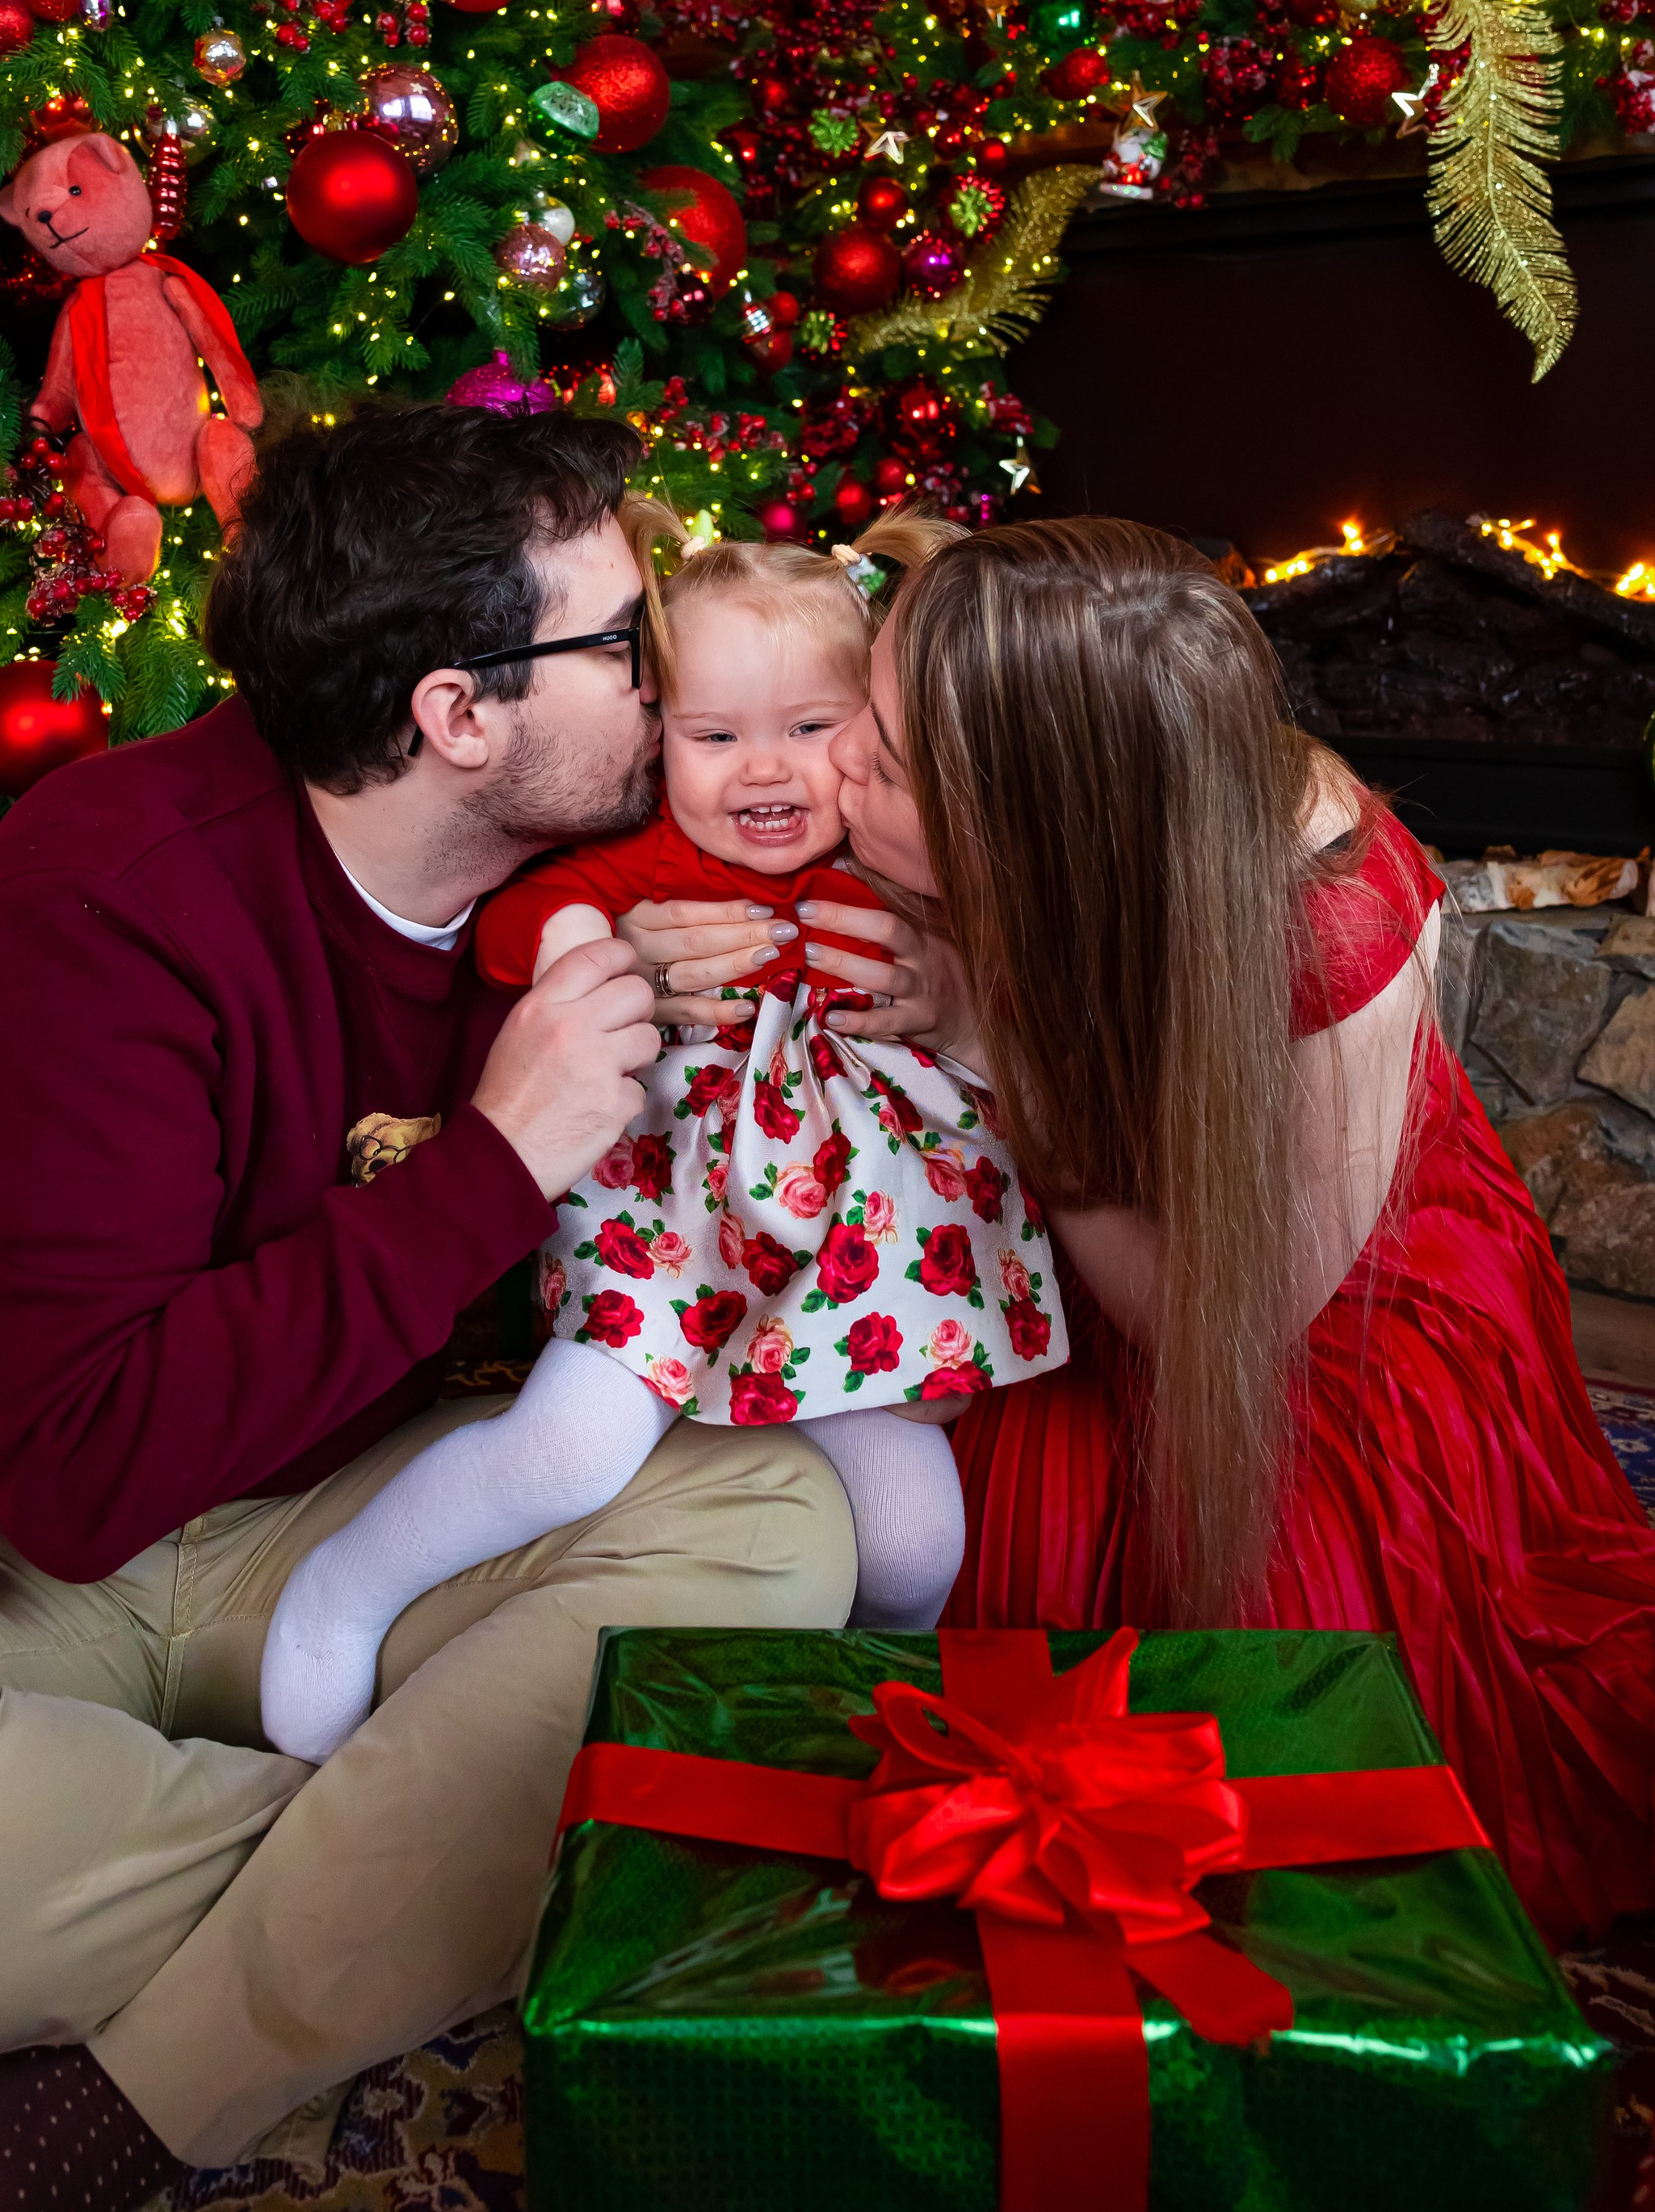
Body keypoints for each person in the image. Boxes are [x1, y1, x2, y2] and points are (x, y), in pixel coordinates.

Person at [0, 402, 858, 2212]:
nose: (671, 695)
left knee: (773, 1524)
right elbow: (76, 1477)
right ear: (455, 714)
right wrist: (498, 1160)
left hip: (342, 1522)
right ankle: (437, 1870)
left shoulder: (617, 885)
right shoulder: (108, 902)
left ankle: (121, 2098)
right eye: (624, 649)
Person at [821, 513, 1655, 1952]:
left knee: (1246, 1687)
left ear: (1033, 815)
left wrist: (996, 1050)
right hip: (1149, 1201)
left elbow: (1221, 1323)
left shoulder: (1318, 931)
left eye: (883, 760)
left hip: (1296, 1310)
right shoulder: (1112, 788)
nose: (836, 761)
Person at [259, 518, 1067, 1761]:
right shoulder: (644, 862)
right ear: (658, 738)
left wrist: (958, 984)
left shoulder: (903, 863)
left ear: (872, 729)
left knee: (916, 1538)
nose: (768, 772)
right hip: (670, 1243)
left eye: (812, 729)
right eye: (715, 735)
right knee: (568, 1455)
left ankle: (859, 1725)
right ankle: (344, 1589)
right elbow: (517, 931)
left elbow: (1012, 999)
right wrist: (597, 954)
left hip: (844, 1271)